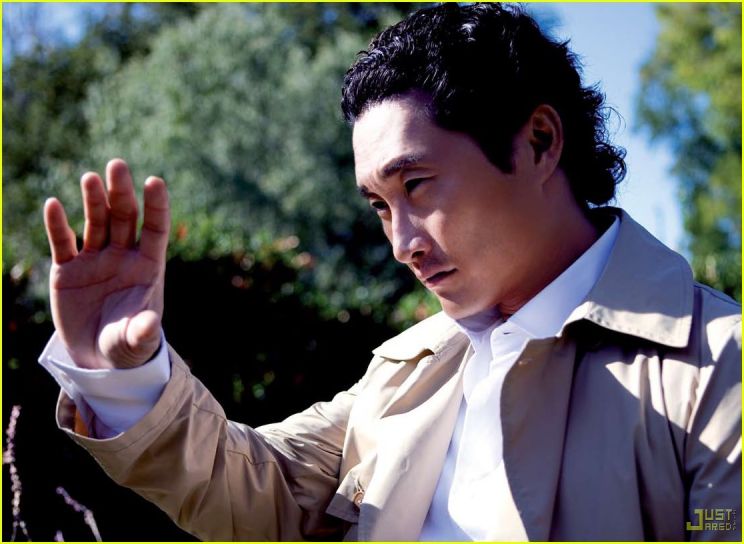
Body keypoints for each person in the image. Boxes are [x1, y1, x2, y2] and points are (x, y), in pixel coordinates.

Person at [39, 3, 740, 541]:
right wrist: (127, 376)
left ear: (538, 141)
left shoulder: (718, 368)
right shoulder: (408, 370)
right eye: (379, 205)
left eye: (418, 185)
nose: (401, 243)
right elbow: (259, 491)